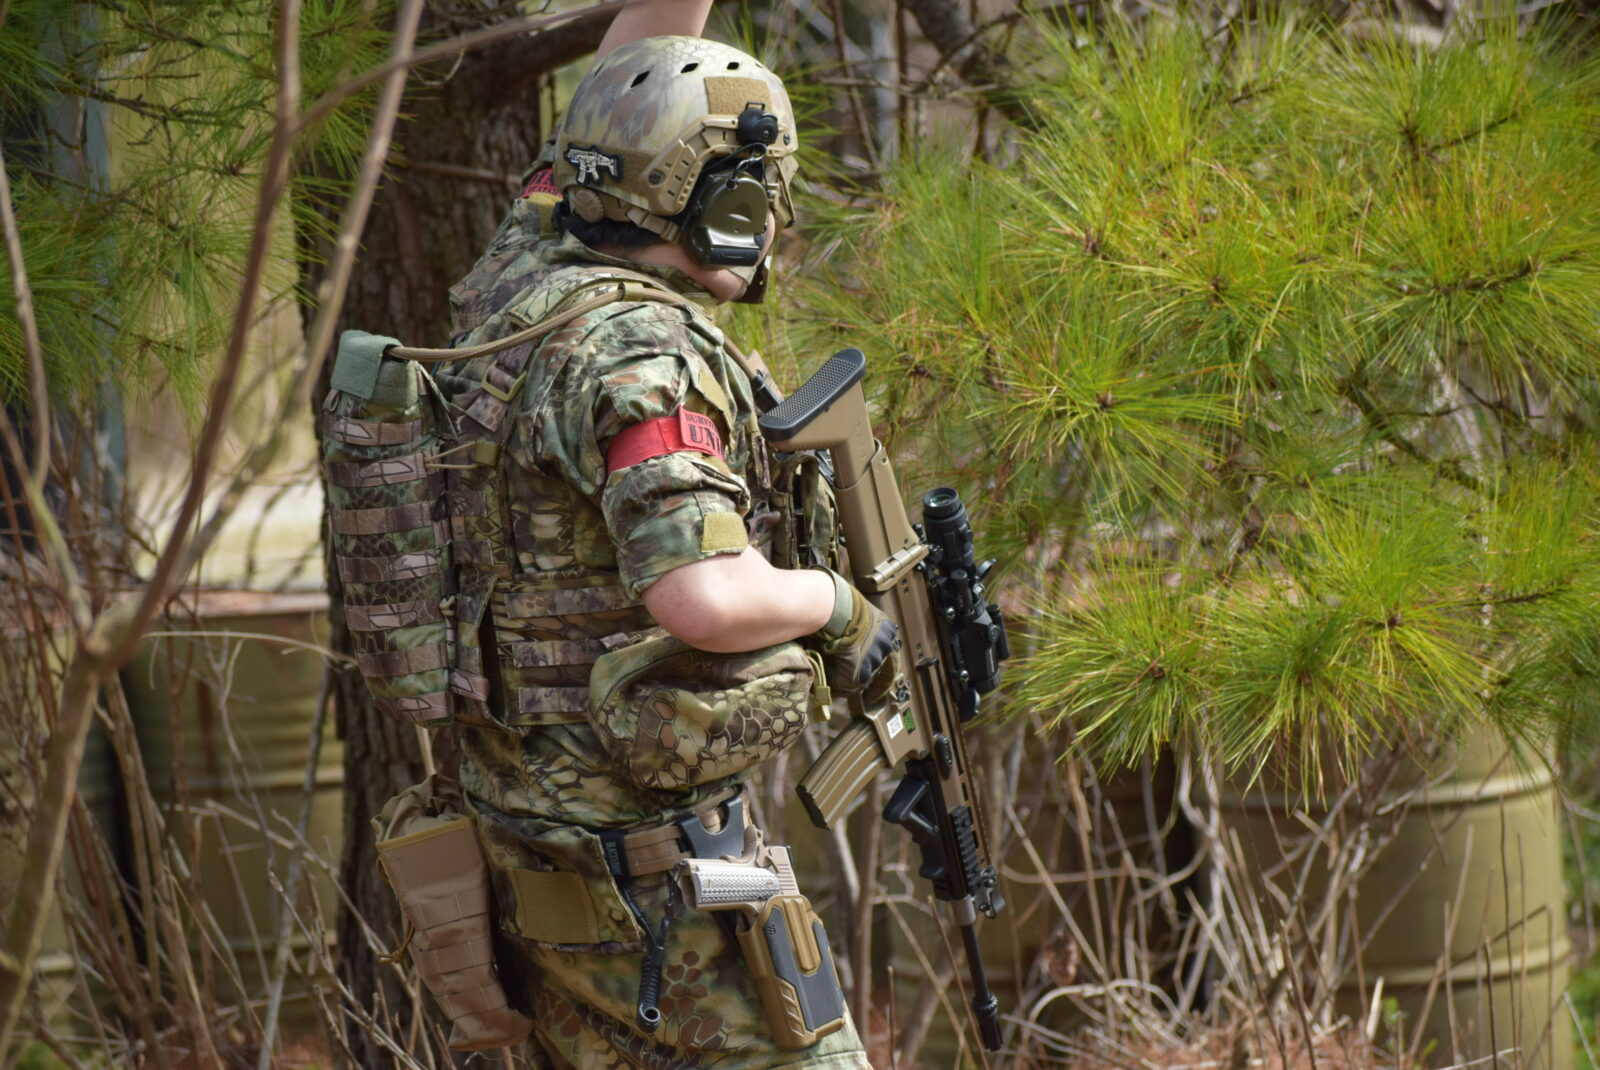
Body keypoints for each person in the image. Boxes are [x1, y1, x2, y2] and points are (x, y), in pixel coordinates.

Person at [433, 25, 895, 1070]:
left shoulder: (520, 271)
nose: (771, 223)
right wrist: (834, 604)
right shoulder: (645, 354)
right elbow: (703, 595)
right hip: (655, 901)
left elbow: (628, 72)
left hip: (533, 862)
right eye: (763, 196)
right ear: (723, 208)